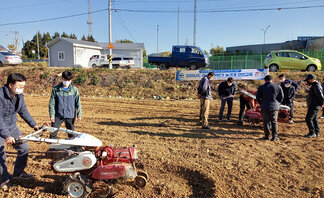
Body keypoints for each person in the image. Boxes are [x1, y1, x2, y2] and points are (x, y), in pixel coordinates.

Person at [0, 73, 39, 190]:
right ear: (11, 85)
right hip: (0, 126)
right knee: (0, 154)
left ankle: (18, 172)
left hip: (11, 125)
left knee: (24, 148)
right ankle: (3, 178)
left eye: (23, 87)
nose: (22, 89)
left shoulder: (19, 96)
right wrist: (6, 135)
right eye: (20, 86)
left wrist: (34, 125)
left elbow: (23, 110)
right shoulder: (0, 95)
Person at [49, 71, 82, 139]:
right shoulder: (56, 89)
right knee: (53, 132)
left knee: (71, 133)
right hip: (58, 115)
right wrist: (52, 115)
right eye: (65, 79)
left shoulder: (74, 90)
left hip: (70, 115)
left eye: (68, 80)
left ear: (71, 80)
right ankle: (53, 148)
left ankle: (71, 147)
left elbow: (78, 103)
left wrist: (79, 115)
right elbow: (52, 103)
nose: (67, 81)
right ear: (62, 79)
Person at [256, 75, 283, 141]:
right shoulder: (277, 86)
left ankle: (267, 136)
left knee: (266, 122)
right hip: (274, 107)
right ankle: (275, 137)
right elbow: (281, 97)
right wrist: (277, 103)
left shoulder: (261, 87)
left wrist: (261, 103)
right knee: (274, 122)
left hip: (265, 106)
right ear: (272, 80)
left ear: (265, 80)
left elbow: (258, 97)